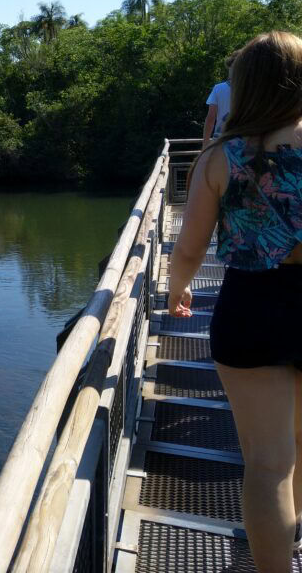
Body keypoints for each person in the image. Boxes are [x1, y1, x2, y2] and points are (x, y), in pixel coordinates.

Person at [169, 30, 302, 573]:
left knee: (268, 464)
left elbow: (190, 246)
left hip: (251, 306)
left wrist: (178, 288)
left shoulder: (221, 156)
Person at [202, 52, 237, 148]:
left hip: (221, 141)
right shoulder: (253, 90)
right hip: (246, 143)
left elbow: (210, 119)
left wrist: (205, 145)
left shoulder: (218, 88)